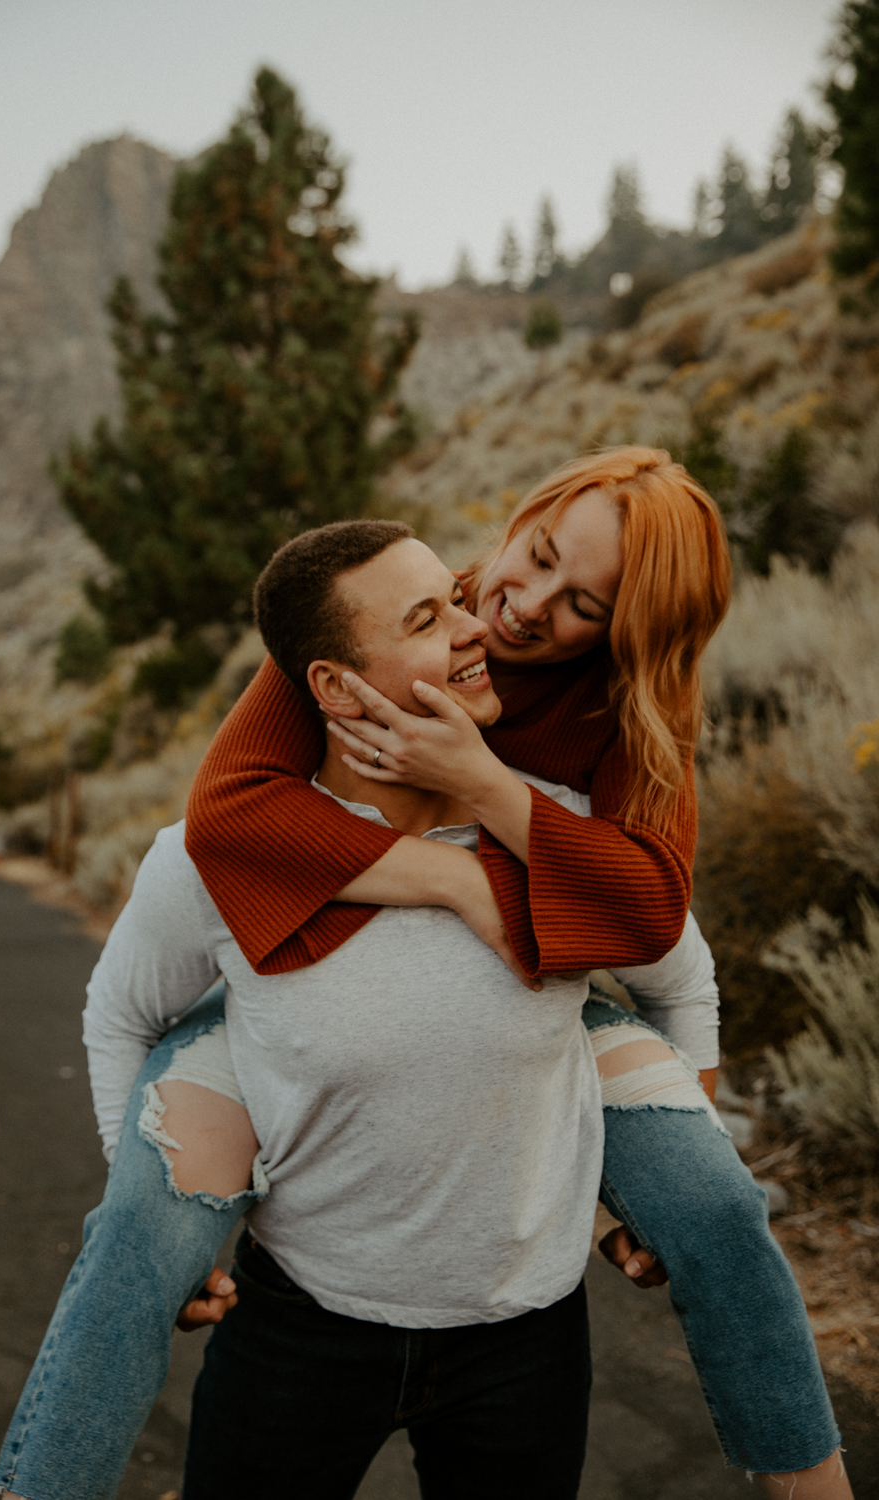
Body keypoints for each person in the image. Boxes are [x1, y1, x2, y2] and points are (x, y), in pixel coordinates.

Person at [0, 518, 721, 1500]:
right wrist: (161, 1205)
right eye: (429, 618)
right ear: (333, 687)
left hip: (527, 1339)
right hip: (297, 1328)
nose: (478, 627)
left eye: (458, 599)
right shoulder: (222, 854)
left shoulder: (558, 830)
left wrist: (672, 1186)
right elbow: (118, 1014)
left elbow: (680, 977)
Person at [182, 448, 848, 1497]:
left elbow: (647, 913)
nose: (520, 606)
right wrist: (455, 885)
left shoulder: (630, 700)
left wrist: (481, 786)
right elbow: (223, 812)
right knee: (144, 1214)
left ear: (624, 633)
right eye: (535, 555)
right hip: (308, 969)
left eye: (580, 603)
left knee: (718, 1213)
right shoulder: (392, 612)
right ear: (531, 511)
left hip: (550, 988)